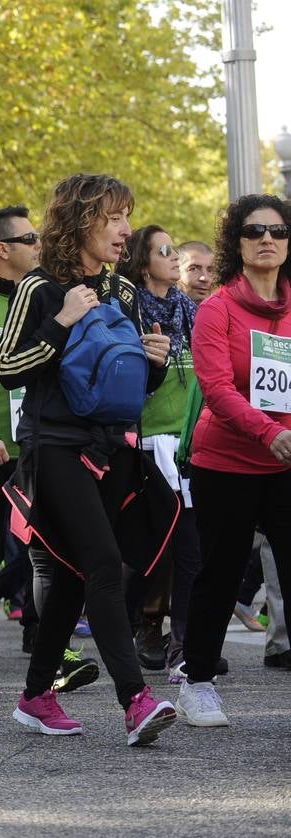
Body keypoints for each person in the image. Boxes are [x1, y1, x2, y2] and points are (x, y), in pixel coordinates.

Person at [0, 173, 178, 746]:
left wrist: (154, 363)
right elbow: (6, 367)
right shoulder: (39, 288)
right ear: (80, 221)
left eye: (127, 217)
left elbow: (127, 387)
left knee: (76, 579)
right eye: (113, 217)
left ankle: (34, 697)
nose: (125, 230)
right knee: (102, 564)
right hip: (54, 448)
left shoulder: (124, 291)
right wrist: (63, 319)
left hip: (111, 450)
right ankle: (135, 700)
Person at [0, 206, 98, 692]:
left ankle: (48, 642)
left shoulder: (49, 295)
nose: (40, 244)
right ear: (1, 250)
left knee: (46, 552)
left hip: (41, 446)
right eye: (29, 238)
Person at [177, 193, 291, 727]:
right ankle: (197, 681)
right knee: (220, 574)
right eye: (254, 231)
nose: (267, 239)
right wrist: (270, 433)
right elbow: (218, 390)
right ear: (237, 243)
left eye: (277, 230)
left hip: (286, 461)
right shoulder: (217, 308)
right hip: (226, 462)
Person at [117, 224, 199, 674]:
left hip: (187, 448)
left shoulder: (190, 311)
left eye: (174, 249)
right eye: (162, 250)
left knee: (189, 550)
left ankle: (183, 648)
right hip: (146, 446)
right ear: (142, 260)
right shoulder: (127, 313)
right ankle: (125, 624)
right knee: (149, 555)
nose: (173, 256)